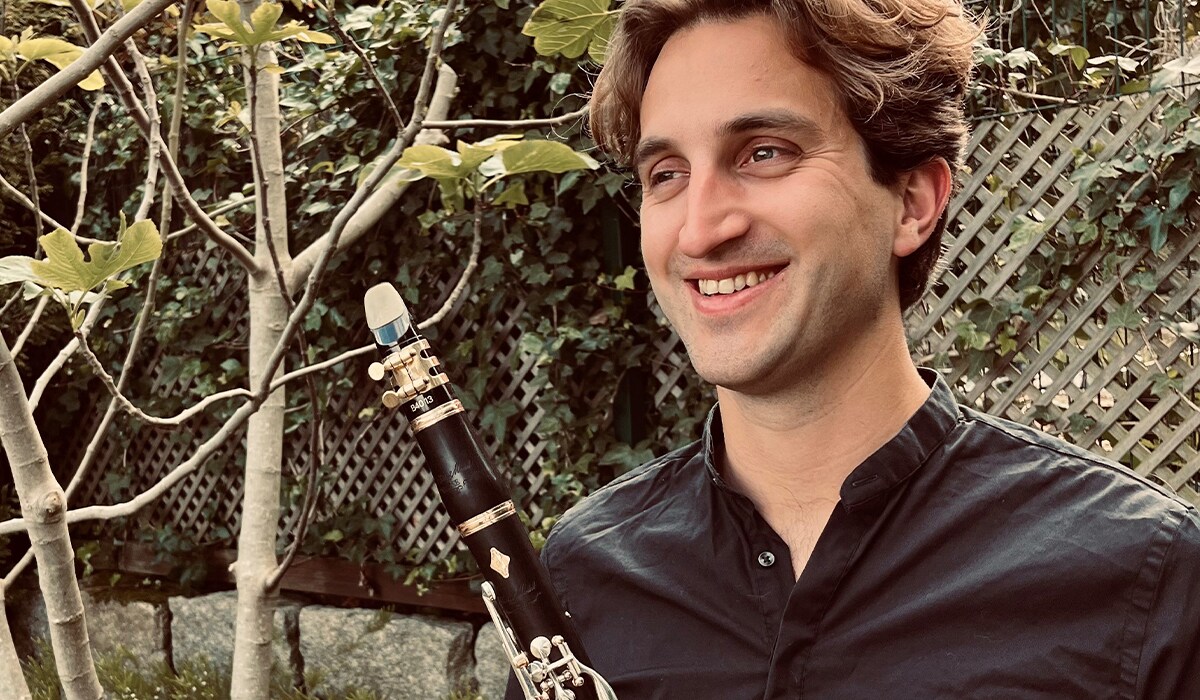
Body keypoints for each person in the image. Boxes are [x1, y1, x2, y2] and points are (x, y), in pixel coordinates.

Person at [509, 1, 1200, 698]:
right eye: (666, 173)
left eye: (765, 153)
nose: (698, 231)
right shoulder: (580, 579)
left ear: (912, 203)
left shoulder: (1146, 582)